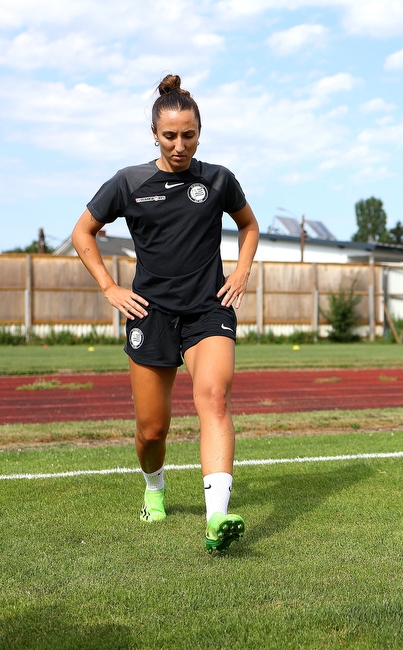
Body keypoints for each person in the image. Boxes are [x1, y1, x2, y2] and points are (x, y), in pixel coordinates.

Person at [72, 74, 259, 554]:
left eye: (189, 135)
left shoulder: (217, 179)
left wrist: (240, 273)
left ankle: (217, 517)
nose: (180, 145)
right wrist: (110, 287)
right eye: (170, 135)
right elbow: (82, 233)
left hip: (207, 311)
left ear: (200, 132)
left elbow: (248, 226)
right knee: (152, 430)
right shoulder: (129, 182)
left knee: (214, 399)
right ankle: (153, 489)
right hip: (150, 315)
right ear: (154, 134)